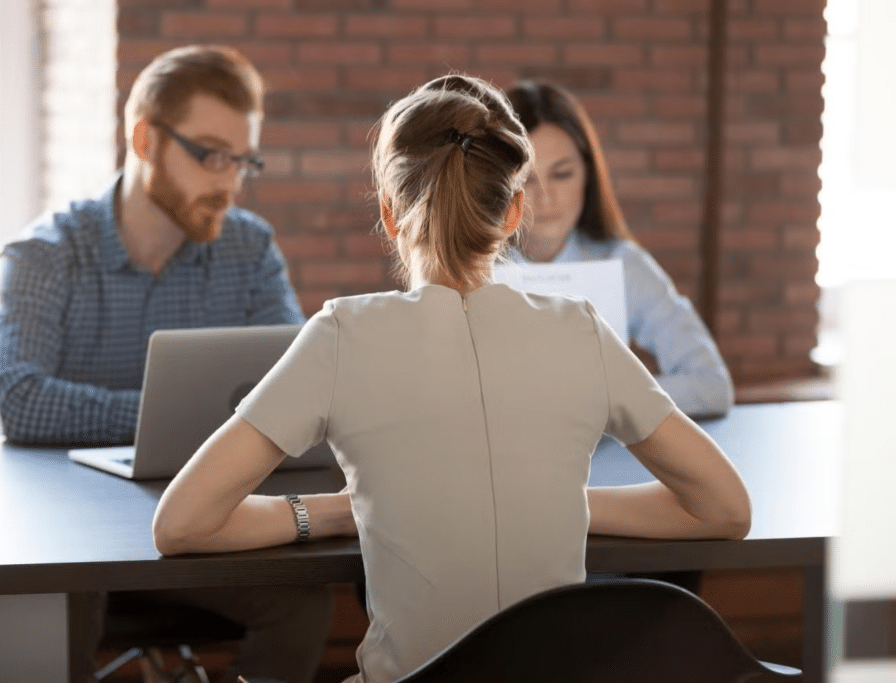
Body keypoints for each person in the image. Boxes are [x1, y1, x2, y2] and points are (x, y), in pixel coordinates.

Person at [152, 74, 751, 683]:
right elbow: (723, 509)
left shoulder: (342, 334)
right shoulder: (581, 331)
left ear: (388, 214)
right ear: (516, 209)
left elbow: (184, 524)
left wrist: (339, 513)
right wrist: (547, 505)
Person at [0, 45, 332, 683]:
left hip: (200, 529)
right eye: (211, 154)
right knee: (59, 600)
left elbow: (299, 389)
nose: (230, 181)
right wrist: (168, 420)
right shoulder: (46, 254)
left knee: (303, 599)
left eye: (242, 159)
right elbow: (19, 397)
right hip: (67, 536)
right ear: (145, 140)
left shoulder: (248, 249)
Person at [504, 80, 734, 418]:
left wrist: (613, 397)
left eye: (562, 174)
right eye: (527, 180)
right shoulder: (466, 270)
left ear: (588, 175)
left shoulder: (622, 264)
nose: (546, 197)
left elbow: (711, 385)